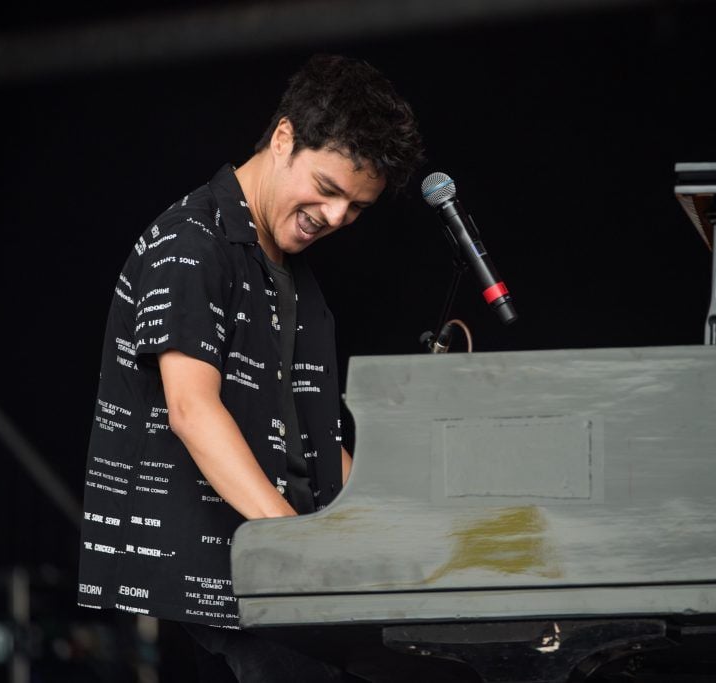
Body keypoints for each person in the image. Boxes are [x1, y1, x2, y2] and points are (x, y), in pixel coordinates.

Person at [77, 53, 424, 681]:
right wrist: (300, 546)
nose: (339, 217)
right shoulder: (192, 242)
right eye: (328, 189)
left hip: (273, 580)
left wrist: (401, 524)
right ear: (285, 137)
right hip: (217, 587)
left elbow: (312, 441)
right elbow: (191, 407)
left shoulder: (289, 273)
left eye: (358, 206)